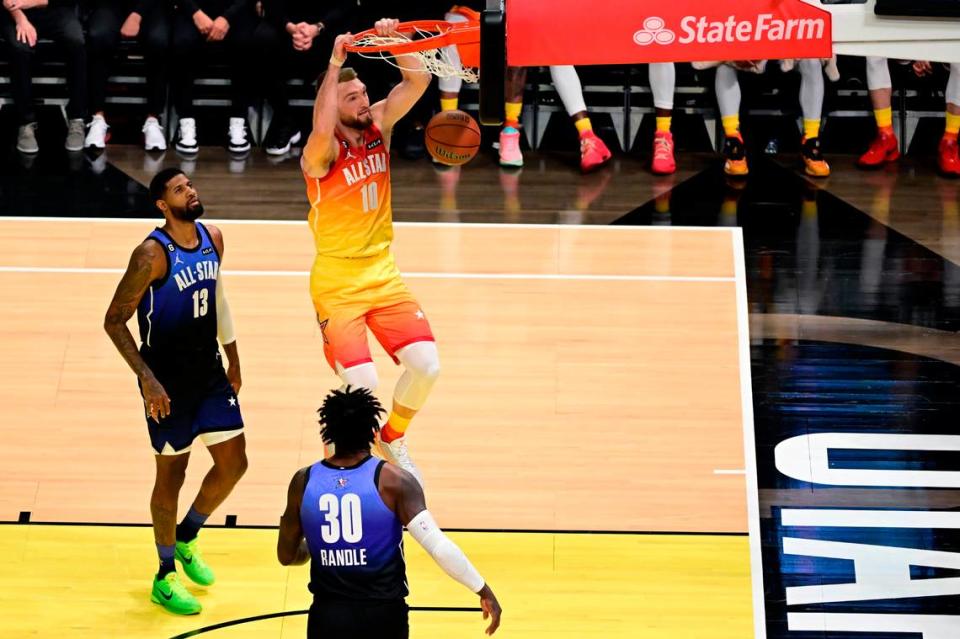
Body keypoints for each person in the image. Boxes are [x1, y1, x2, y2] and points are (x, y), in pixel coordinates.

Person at [103, 167, 247, 615]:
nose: (191, 190)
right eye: (180, 189)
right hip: (166, 383)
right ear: (163, 205)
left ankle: (187, 536)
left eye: (191, 184)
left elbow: (219, 299)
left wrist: (234, 356)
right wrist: (147, 379)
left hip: (209, 372)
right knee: (172, 476)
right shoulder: (150, 254)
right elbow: (114, 319)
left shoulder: (214, 238)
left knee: (234, 464)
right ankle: (164, 575)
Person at [301, 20, 438, 484]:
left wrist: (394, 39)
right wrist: (334, 63)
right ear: (333, 107)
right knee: (363, 385)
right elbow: (321, 126)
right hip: (337, 283)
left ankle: (391, 435)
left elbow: (417, 80)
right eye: (352, 97)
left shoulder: (380, 124)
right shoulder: (320, 153)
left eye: (363, 93)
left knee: (427, 366)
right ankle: (331, 469)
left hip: (383, 272)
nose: (363, 101)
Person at [277, 386, 502, 638]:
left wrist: (313, 546)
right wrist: (482, 589)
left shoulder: (303, 482)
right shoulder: (394, 481)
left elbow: (286, 555)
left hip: (328, 617)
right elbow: (438, 546)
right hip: (383, 617)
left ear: (327, 433)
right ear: (373, 433)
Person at [253, 0, 346, 155]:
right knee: (261, 39)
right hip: (288, 27)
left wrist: (317, 28)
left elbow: (345, 5)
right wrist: (291, 28)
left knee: (346, 41)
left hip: (327, 27)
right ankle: (285, 120)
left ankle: (335, 128)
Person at [169, 0, 257, 154]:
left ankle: (239, 119)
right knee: (181, 43)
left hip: (235, 13)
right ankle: (185, 120)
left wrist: (227, 17)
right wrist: (196, 13)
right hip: (193, 12)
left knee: (246, 44)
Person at [83, 0, 171, 151]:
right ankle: (97, 116)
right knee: (99, 36)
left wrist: (136, 14)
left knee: (159, 40)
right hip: (110, 5)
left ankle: (153, 118)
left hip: (151, 7)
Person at [1, 0, 87, 153]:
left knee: (76, 41)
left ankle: (76, 118)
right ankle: (25, 122)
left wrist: (33, 2)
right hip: (15, 12)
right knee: (20, 48)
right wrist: (20, 19)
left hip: (55, 8)